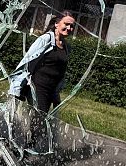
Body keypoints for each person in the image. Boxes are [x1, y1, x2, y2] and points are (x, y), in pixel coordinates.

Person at [8, 10, 76, 152]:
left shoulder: (66, 47)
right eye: (66, 24)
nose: (69, 28)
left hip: (51, 89)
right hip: (38, 86)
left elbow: (60, 72)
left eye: (72, 26)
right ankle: (21, 150)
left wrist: (56, 93)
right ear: (57, 23)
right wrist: (17, 86)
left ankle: (23, 148)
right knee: (39, 121)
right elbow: (27, 61)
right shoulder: (45, 39)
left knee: (40, 123)